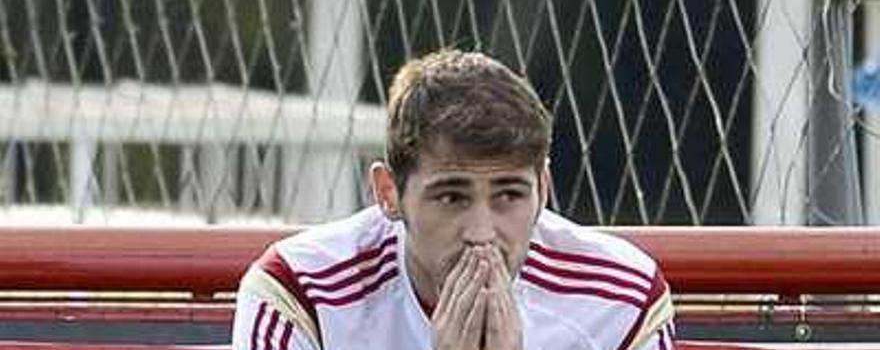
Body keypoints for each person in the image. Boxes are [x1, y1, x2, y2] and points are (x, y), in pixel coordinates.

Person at [232, 50, 675, 350]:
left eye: (508, 194)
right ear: (389, 193)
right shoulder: (299, 291)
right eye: (451, 196)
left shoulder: (621, 297)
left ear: (542, 189)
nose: (481, 233)